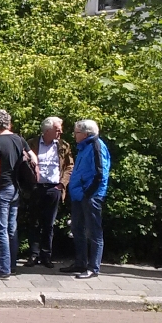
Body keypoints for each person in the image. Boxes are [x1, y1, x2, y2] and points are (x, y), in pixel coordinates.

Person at [0, 110, 36, 279]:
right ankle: (12, 266)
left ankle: (3, 269)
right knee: (11, 228)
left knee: (0, 230)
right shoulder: (19, 139)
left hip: (2, 188)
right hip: (16, 188)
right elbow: (34, 159)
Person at [61, 119, 111, 279]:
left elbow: (100, 174)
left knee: (94, 232)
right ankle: (80, 263)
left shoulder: (96, 146)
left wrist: (88, 193)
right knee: (77, 228)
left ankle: (93, 268)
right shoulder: (84, 147)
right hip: (79, 195)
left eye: (76, 132)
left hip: (91, 196)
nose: (74, 135)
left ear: (85, 134)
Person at [25, 116, 74, 269]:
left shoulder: (63, 146)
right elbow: (23, 163)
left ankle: (46, 255)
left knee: (49, 224)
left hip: (54, 188)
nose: (61, 132)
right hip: (36, 188)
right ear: (47, 131)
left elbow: (69, 166)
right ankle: (33, 254)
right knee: (34, 222)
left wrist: (62, 184)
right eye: (57, 130)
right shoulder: (32, 143)